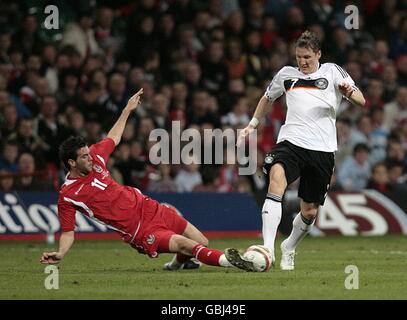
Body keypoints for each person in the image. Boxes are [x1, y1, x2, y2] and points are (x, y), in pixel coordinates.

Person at [40, 89, 253, 272]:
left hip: (150, 207)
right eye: (84, 156)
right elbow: (68, 232)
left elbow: (113, 138)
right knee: (184, 243)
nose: (90, 157)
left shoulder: (95, 158)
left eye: (88, 153)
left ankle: (175, 266)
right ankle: (231, 261)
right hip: (139, 231)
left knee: (201, 242)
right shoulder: (68, 195)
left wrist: (126, 111)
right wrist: (60, 252)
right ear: (71, 163)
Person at [237, 31, 366, 270]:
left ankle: (289, 246)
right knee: (276, 177)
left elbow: (361, 100)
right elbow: (267, 98)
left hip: (322, 150)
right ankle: (267, 248)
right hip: (291, 143)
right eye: (298, 57)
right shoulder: (286, 75)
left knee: (309, 211)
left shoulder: (332, 71)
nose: (302, 62)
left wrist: (350, 93)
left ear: (318, 54)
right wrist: (253, 124)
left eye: (307, 56)